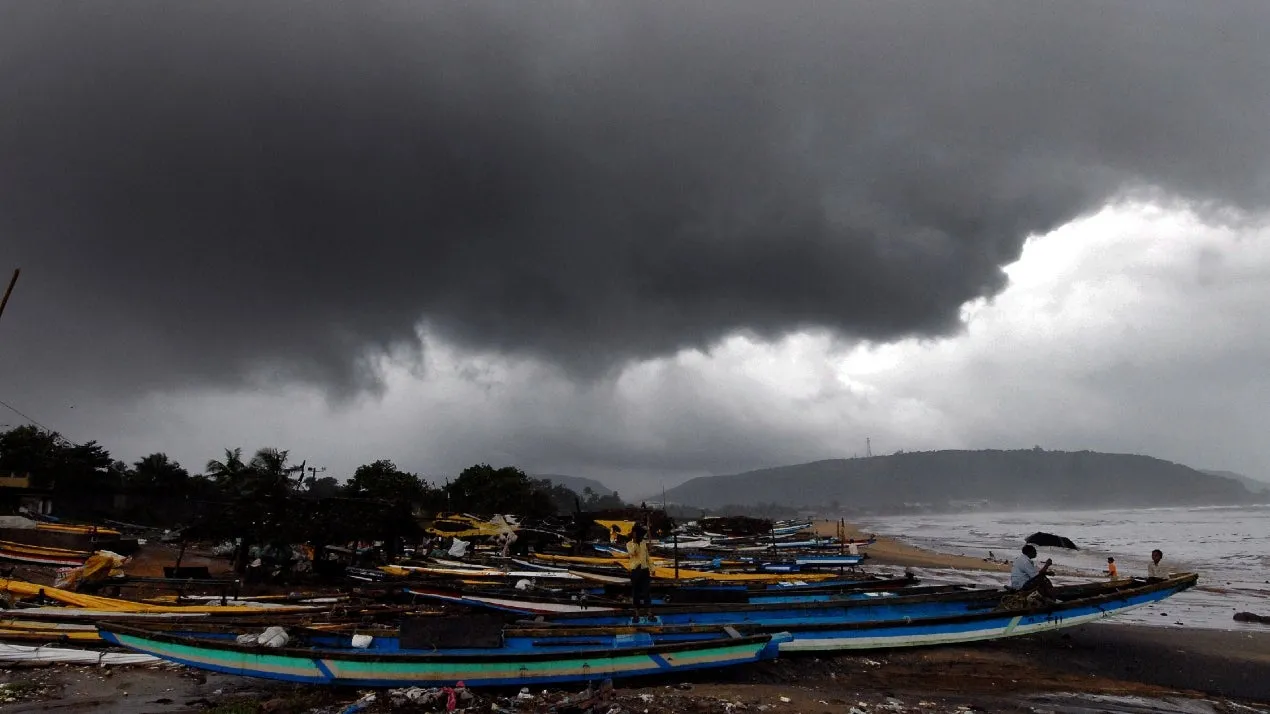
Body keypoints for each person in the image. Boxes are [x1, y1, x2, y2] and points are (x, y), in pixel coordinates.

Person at [627, 523, 653, 620]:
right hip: (635, 571)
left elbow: (647, 557)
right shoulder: (629, 544)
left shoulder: (643, 543)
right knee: (636, 593)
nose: (641, 537)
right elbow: (632, 553)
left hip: (645, 570)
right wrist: (635, 541)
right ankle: (636, 614)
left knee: (647, 592)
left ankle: (649, 613)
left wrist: (652, 568)